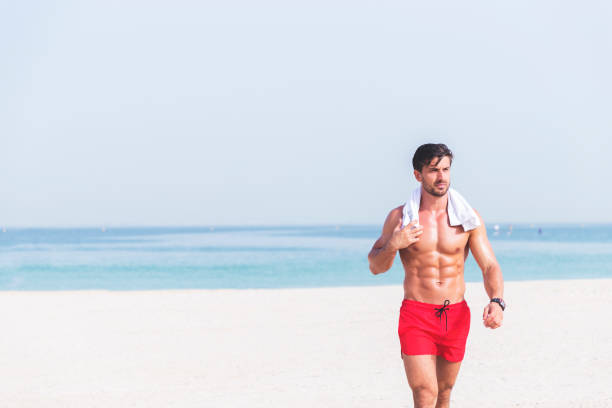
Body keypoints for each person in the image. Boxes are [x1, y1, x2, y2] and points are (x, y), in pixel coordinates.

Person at [368, 143, 505, 408]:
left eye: (445, 169)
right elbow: (376, 266)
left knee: (444, 392)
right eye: (433, 170)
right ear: (418, 175)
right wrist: (395, 244)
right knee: (424, 392)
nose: (441, 177)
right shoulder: (400, 218)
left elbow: (489, 266)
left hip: (454, 315)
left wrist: (497, 300)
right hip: (416, 314)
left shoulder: (467, 218)